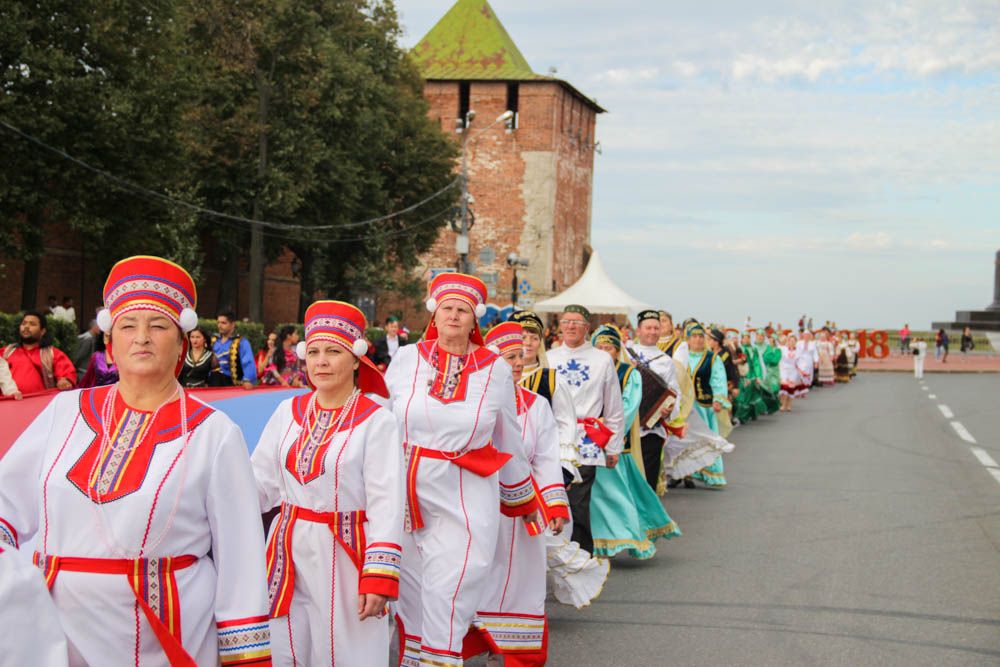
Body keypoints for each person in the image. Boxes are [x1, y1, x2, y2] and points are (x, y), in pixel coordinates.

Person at [0, 255, 272, 665]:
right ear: (109, 343)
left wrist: (244, 656)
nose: (141, 337)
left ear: (182, 341)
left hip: (157, 639)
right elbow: (6, 503)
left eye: (158, 325)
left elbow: (241, 558)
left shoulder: (213, 433)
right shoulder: (65, 411)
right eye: (128, 325)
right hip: (54, 634)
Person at [384, 273, 540, 667]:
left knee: (452, 585)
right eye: (447, 309)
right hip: (407, 490)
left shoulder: (494, 369)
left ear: (475, 321)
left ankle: (441, 660)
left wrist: (523, 500)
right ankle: (415, 659)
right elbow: (380, 423)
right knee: (414, 590)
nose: (453, 316)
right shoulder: (406, 359)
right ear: (434, 315)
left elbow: (509, 439)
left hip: (466, 491)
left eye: (463, 311)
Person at [251, 300, 403, 666]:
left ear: (356, 359)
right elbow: (258, 482)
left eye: (333, 352)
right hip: (286, 549)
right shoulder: (287, 411)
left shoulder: (376, 420)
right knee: (283, 648)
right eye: (314, 351)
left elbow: (387, 502)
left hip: (346, 553)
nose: (321, 361)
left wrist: (379, 575)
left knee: (347, 653)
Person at [464, 322, 570, 665]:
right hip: (474, 508)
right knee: (470, 578)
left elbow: (546, 458)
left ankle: (513, 654)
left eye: (520, 356)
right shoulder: (470, 404)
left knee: (519, 583)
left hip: (522, 511)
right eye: (509, 357)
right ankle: (459, 646)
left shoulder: (536, 406)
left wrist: (553, 504)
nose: (518, 363)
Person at [507, 310, 608, 610]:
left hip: (540, 469)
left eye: (532, 337)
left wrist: (564, 467)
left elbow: (565, 424)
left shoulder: (550, 380)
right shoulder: (490, 378)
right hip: (502, 471)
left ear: (539, 342)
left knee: (539, 537)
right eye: (520, 337)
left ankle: (529, 599)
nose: (526, 343)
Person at [591, 324, 680, 559]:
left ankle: (631, 535)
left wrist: (606, 427)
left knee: (619, 494)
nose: (603, 352)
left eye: (608, 347)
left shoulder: (629, 374)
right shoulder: (589, 371)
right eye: (599, 347)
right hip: (589, 441)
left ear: (616, 350)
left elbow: (628, 409)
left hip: (618, 442)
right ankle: (596, 540)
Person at [546, 304, 625, 553]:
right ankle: (555, 559)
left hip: (586, 438)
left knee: (578, 504)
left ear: (587, 328)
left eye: (576, 322)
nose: (570, 326)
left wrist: (613, 447)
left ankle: (581, 561)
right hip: (553, 437)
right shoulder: (548, 357)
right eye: (566, 321)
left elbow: (613, 406)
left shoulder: (601, 360)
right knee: (554, 500)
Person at [625, 310, 682, 490]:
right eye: (648, 327)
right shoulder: (625, 353)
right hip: (627, 427)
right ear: (638, 330)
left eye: (656, 328)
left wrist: (669, 409)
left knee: (648, 480)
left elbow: (674, 393)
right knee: (628, 478)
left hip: (651, 429)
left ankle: (647, 516)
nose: (652, 332)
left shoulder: (666, 361)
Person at [675, 322, 729, 487]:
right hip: (685, 408)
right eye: (694, 336)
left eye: (700, 336)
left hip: (703, 407)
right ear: (688, 339)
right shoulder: (680, 357)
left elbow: (718, 380)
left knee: (704, 440)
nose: (697, 340)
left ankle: (707, 473)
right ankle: (684, 474)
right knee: (683, 440)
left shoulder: (712, 358)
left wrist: (718, 399)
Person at [2, 311, 77, 394]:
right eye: (24, 323)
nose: (26, 327)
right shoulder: (6, 352)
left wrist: (64, 380)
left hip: (41, 404)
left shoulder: (53, 354)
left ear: (42, 331)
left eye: (32, 324)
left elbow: (67, 373)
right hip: (8, 403)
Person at [212, 310, 257, 387]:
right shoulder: (213, 341)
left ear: (233, 324)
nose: (219, 325)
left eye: (223, 323)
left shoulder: (241, 342)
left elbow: (248, 362)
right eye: (218, 322)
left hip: (232, 385)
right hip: (213, 383)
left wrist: (247, 380)